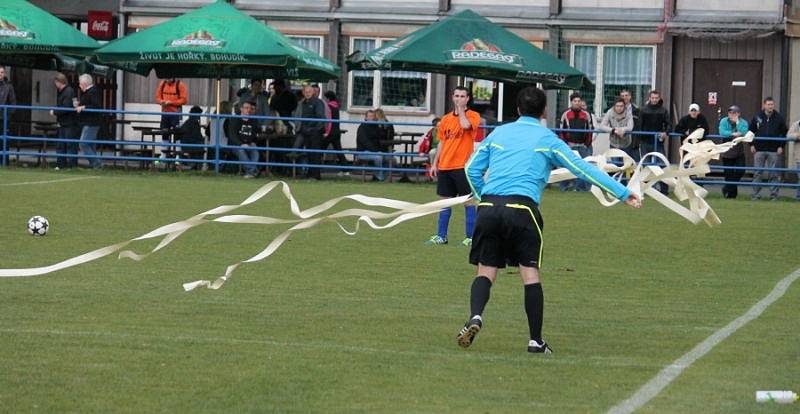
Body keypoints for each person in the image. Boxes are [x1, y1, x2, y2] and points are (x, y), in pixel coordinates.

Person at [458, 86, 641, 354]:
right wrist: (623, 192)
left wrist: (480, 196)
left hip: (490, 206)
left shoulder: (499, 132)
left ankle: (476, 315)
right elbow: (581, 169)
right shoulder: (547, 138)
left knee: (486, 269)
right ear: (544, 111)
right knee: (529, 273)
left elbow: (471, 168)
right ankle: (535, 341)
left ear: (518, 109)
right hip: (523, 209)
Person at [426, 87, 481, 247]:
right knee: (444, 202)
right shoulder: (446, 119)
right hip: (445, 166)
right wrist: (435, 163)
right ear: (452, 97)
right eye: (456, 96)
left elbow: (465, 126)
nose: (459, 98)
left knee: (468, 202)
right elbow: (442, 143)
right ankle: (441, 236)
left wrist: (461, 111)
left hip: (462, 167)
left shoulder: (473, 116)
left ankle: (470, 237)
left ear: (467, 99)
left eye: (462, 96)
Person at [749, 97, 788, 201]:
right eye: (768, 104)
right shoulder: (757, 117)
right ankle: (755, 195)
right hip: (759, 149)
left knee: (774, 173)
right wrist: (751, 144)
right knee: (757, 172)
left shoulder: (779, 118)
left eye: (772, 104)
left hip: (773, 150)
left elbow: (784, 133)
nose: (770, 106)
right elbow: (751, 131)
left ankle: (773, 196)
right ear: (764, 105)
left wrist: (781, 146)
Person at [558, 92, 593, 192]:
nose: (577, 103)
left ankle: (580, 188)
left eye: (578, 101)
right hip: (569, 145)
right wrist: (564, 145)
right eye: (575, 101)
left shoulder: (586, 114)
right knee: (566, 166)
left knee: (583, 167)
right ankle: (564, 187)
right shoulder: (565, 114)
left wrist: (587, 144)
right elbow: (561, 130)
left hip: (582, 146)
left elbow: (590, 130)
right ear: (571, 102)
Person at [639, 90, 671, 194]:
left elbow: (669, 124)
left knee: (662, 165)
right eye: (653, 98)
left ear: (659, 98)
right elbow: (639, 126)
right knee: (646, 166)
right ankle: (646, 189)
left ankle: (664, 189)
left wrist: (665, 133)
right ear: (649, 98)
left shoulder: (663, 110)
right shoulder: (643, 110)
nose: (654, 100)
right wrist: (640, 138)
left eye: (656, 98)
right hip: (645, 141)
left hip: (658, 142)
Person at [292, 84, 327, 180]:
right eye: (306, 92)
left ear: (313, 92)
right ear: (303, 93)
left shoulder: (318, 102)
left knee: (315, 154)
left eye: (309, 92)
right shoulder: (303, 103)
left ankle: (315, 175)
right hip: (305, 131)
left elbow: (320, 117)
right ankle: (310, 174)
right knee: (309, 154)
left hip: (315, 132)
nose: (307, 94)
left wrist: (315, 129)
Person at [718, 105, 749, 199]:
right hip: (727, 150)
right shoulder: (724, 121)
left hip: (738, 150)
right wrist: (732, 134)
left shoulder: (743, 122)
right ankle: (731, 196)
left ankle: (727, 188)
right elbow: (722, 132)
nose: (732, 115)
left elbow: (744, 131)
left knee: (741, 171)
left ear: (739, 114)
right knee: (728, 173)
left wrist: (737, 122)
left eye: (734, 113)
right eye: (730, 113)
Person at [52, 73, 80, 169]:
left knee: (69, 145)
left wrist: (54, 111)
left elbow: (66, 107)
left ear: (59, 82)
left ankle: (71, 165)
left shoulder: (67, 92)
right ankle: (61, 164)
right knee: (61, 145)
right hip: (64, 122)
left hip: (69, 123)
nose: (55, 84)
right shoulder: (65, 91)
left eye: (56, 82)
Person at [75, 74, 103, 169]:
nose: (79, 85)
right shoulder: (90, 92)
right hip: (90, 122)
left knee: (83, 144)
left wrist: (83, 107)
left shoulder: (92, 92)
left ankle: (97, 163)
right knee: (90, 144)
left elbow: (96, 106)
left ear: (84, 83)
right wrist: (81, 104)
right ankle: (95, 165)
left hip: (91, 122)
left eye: (80, 83)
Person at [228, 100, 260, 178]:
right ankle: (252, 171)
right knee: (241, 151)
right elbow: (232, 135)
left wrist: (252, 142)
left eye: (249, 108)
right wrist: (241, 144)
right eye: (246, 108)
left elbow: (254, 135)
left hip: (248, 143)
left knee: (255, 150)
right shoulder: (235, 119)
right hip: (235, 145)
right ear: (241, 109)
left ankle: (250, 172)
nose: (248, 110)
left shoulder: (253, 120)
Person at [356, 109, 389, 181]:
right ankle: (379, 178)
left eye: (373, 116)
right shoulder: (362, 127)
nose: (372, 118)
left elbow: (382, 138)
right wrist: (376, 151)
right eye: (370, 116)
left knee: (390, 158)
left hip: (375, 151)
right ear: (366, 118)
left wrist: (383, 127)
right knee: (378, 157)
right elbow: (365, 142)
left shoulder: (376, 126)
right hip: (363, 152)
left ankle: (383, 177)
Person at [321, 91, 348, 174]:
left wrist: (326, 133)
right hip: (336, 132)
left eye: (325, 98)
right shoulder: (336, 106)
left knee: (320, 148)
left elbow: (329, 121)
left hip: (330, 133)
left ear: (328, 98)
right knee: (339, 151)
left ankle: (316, 167)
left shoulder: (329, 107)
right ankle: (345, 169)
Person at [155, 78, 188, 143]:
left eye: (168, 78)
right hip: (165, 113)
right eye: (166, 78)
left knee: (177, 134)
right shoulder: (162, 84)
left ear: (173, 77)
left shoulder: (180, 85)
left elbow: (184, 100)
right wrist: (161, 102)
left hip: (176, 114)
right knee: (165, 134)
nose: (167, 80)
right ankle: (164, 152)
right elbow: (157, 98)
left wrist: (171, 102)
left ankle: (177, 152)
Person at [788, 118, 800, 201]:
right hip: (799, 157)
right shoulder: (796, 124)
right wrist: (797, 135)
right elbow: (788, 136)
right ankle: (798, 197)